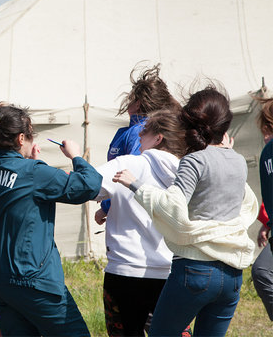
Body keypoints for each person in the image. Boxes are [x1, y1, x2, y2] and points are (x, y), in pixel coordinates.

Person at [114, 85, 258, 337]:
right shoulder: (237, 161)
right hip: (233, 274)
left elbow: (172, 207)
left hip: (196, 271)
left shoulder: (194, 161)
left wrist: (135, 185)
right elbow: (247, 204)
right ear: (225, 125)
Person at [0, 103, 102, 337]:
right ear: (21, 138)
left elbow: (13, 183)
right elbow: (90, 185)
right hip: (31, 279)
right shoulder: (33, 172)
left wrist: (29, 161)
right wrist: (76, 156)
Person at [94, 109, 185, 336]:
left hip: (125, 272)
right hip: (171, 273)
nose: (138, 137)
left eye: (144, 131)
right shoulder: (188, 171)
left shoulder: (127, 164)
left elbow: (87, 186)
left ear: (158, 138)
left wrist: (75, 160)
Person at [97, 64, 177, 223]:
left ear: (138, 102)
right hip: (126, 208)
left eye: (131, 97)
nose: (127, 100)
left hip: (135, 213)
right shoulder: (130, 131)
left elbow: (133, 173)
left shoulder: (141, 131)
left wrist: (106, 206)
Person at [252, 96, 273, 320]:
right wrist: (267, 223)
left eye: (268, 129)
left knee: (262, 271)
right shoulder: (267, 154)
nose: (265, 136)